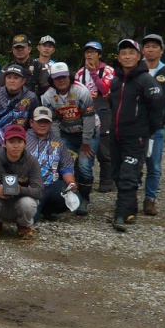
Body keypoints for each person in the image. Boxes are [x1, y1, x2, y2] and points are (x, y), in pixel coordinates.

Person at [108, 39, 165, 232]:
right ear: (118, 57)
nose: (127, 56)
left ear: (138, 56)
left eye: (131, 53)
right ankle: (130, 208)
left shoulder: (146, 80)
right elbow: (111, 106)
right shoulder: (115, 81)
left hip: (136, 137)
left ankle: (121, 214)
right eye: (123, 53)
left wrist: (148, 132)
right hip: (116, 136)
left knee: (128, 175)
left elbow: (158, 107)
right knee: (115, 172)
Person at [41, 62, 96, 215]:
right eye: (57, 78)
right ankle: (69, 195)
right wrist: (58, 144)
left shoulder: (82, 91)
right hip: (66, 133)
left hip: (88, 132)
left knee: (84, 165)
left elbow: (89, 117)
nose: (61, 80)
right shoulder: (47, 96)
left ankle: (84, 199)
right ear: (52, 79)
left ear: (69, 76)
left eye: (64, 76)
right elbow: (54, 123)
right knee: (62, 163)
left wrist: (86, 142)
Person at [0, 124, 43, 240]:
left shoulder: (32, 161)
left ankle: (24, 226)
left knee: (28, 203)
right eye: (11, 142)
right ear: (4, 143)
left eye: (19, 142)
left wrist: (21, 190)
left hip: (20, 204)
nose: (16, 146)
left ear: (25, 144)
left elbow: (39, 192)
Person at [141, 34, 165, 216]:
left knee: (154, 164)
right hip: (136, 126)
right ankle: (129, 197)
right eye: (147, 46)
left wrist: (157, 118)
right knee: (134, 163)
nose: (150, 49)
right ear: (142, 50)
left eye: (154, 46)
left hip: (156, 128)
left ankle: (150, 199)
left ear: (161, 51)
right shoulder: (136, 70)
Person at [74, 40, 116, 192]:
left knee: (104, 143)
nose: (89, 55)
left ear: (99, 54)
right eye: (87, 52)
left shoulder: (108, 70)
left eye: (93, 52)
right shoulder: (79, 73)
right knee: (83, 140)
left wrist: (93, 73)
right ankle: (81, 178)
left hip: (102, 106)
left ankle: (106, 180)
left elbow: (105, 90)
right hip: (85, 108)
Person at [25, 106, 77, 222]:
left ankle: (45, 209)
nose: (42, 125)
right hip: (29, 186)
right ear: (31, 122)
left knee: (72, 198)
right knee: (31, 221)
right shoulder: (22, 139)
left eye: (46, 122)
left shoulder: (58, 141)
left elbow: (66, 165)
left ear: (50, 124)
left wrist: (71, 182)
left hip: (50, 184)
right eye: (39, 122)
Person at [0, 63, 39, 130]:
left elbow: (34, 122)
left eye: (16, 78)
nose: (11, 81)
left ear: (23, 81)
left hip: (23, 137)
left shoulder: (31, 97)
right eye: (9, 77)